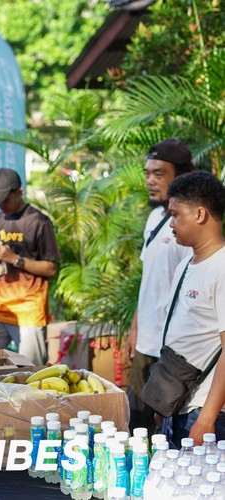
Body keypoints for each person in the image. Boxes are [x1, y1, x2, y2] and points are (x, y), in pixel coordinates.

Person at [124, 139, 195, 435]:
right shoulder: (155, 218)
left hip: (171, 351)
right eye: (147, 173)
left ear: (181, 176)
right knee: (134, 426)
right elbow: (149, 279)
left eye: (159, 173)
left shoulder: (189, 226)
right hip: (145, 343)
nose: (150, 181)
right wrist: (135, 328)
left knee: (164, 433)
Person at [161, 171, 225, 445]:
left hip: (204, 412)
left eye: (176, 215)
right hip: (178, 404)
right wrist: (164, 400)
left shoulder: (221, 268)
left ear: (199, 214)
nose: (171, 223)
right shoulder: (186, 264)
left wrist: (207, 418)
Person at [0, 168, 60, 366]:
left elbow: (51, 268)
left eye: (5, 199)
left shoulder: (39, 222)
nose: (1, 205)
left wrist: (15, 259)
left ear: (20, 192)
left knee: (30, 369)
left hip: (29, 308)